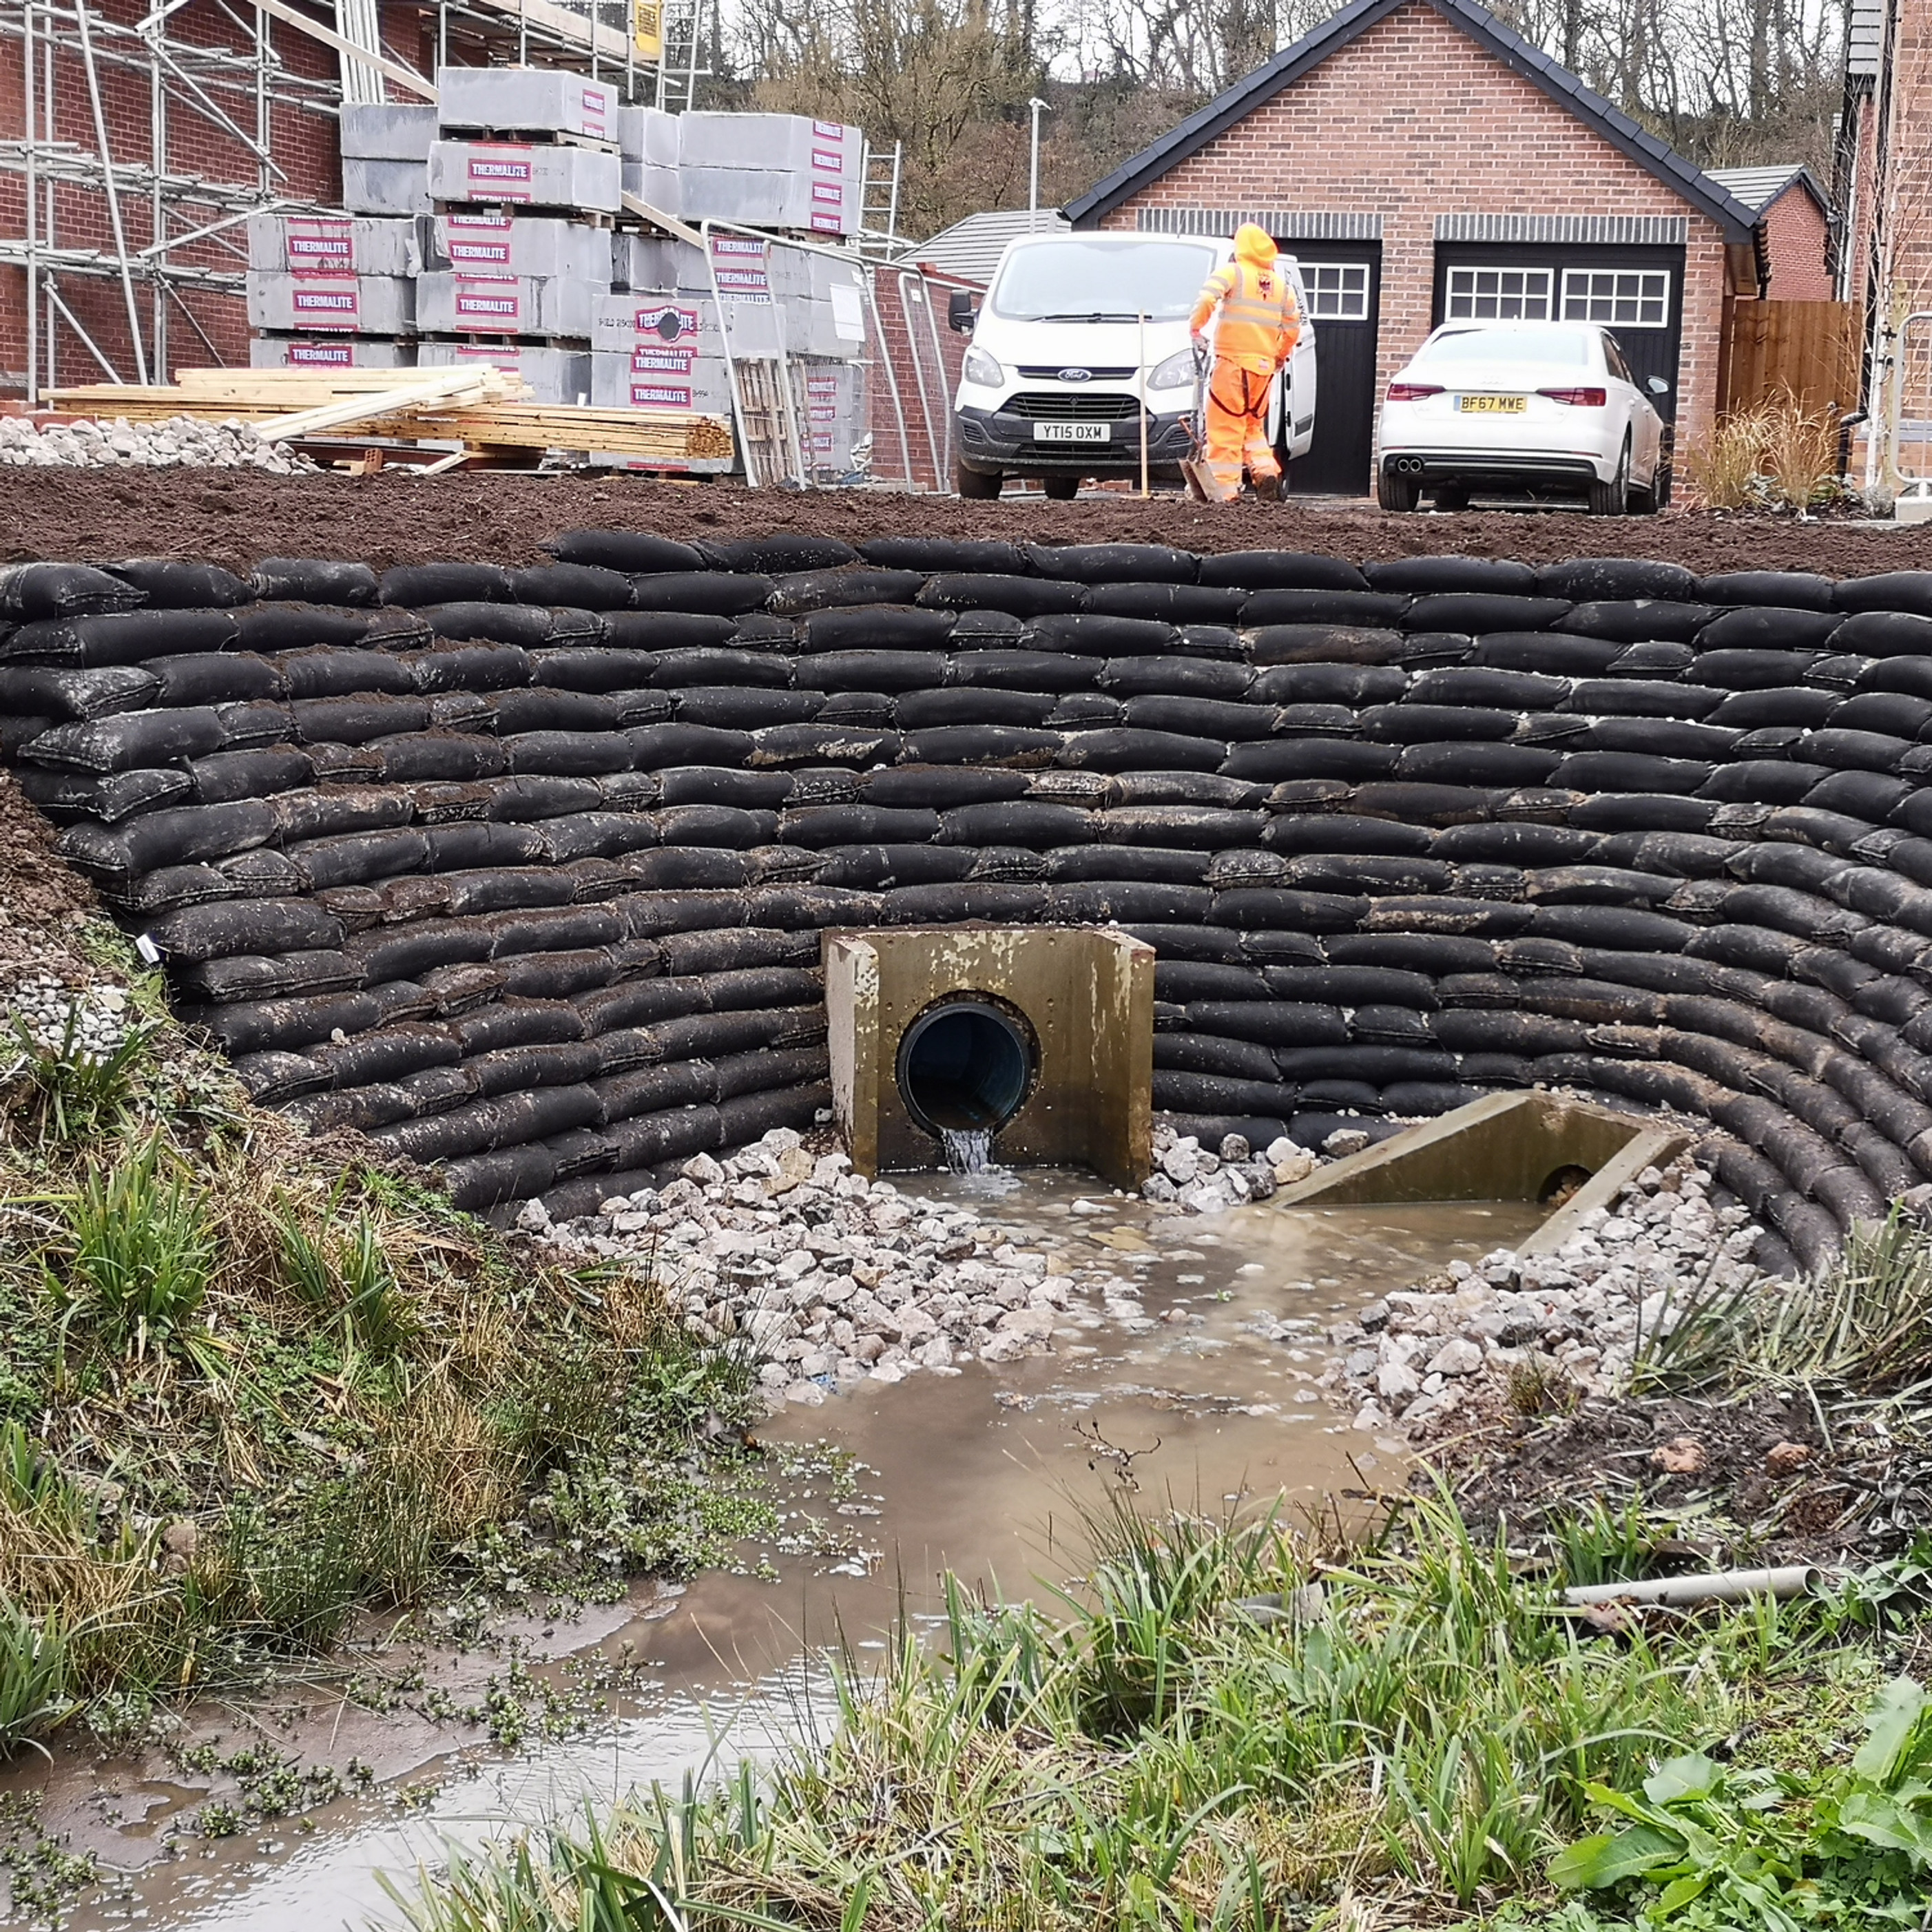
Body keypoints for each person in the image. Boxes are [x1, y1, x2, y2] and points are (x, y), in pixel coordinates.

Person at [1187, 223, 1302, 503]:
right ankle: (1266, 473)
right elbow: (1293, 328)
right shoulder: (1281, 287)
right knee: (1252, 428)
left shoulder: (1233, 273)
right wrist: (1277, 356)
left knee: (1225, 430)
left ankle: (1225, 495)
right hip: (1262, 370)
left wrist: (1196, 328)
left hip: (1231, 365)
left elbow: (1206, 298)